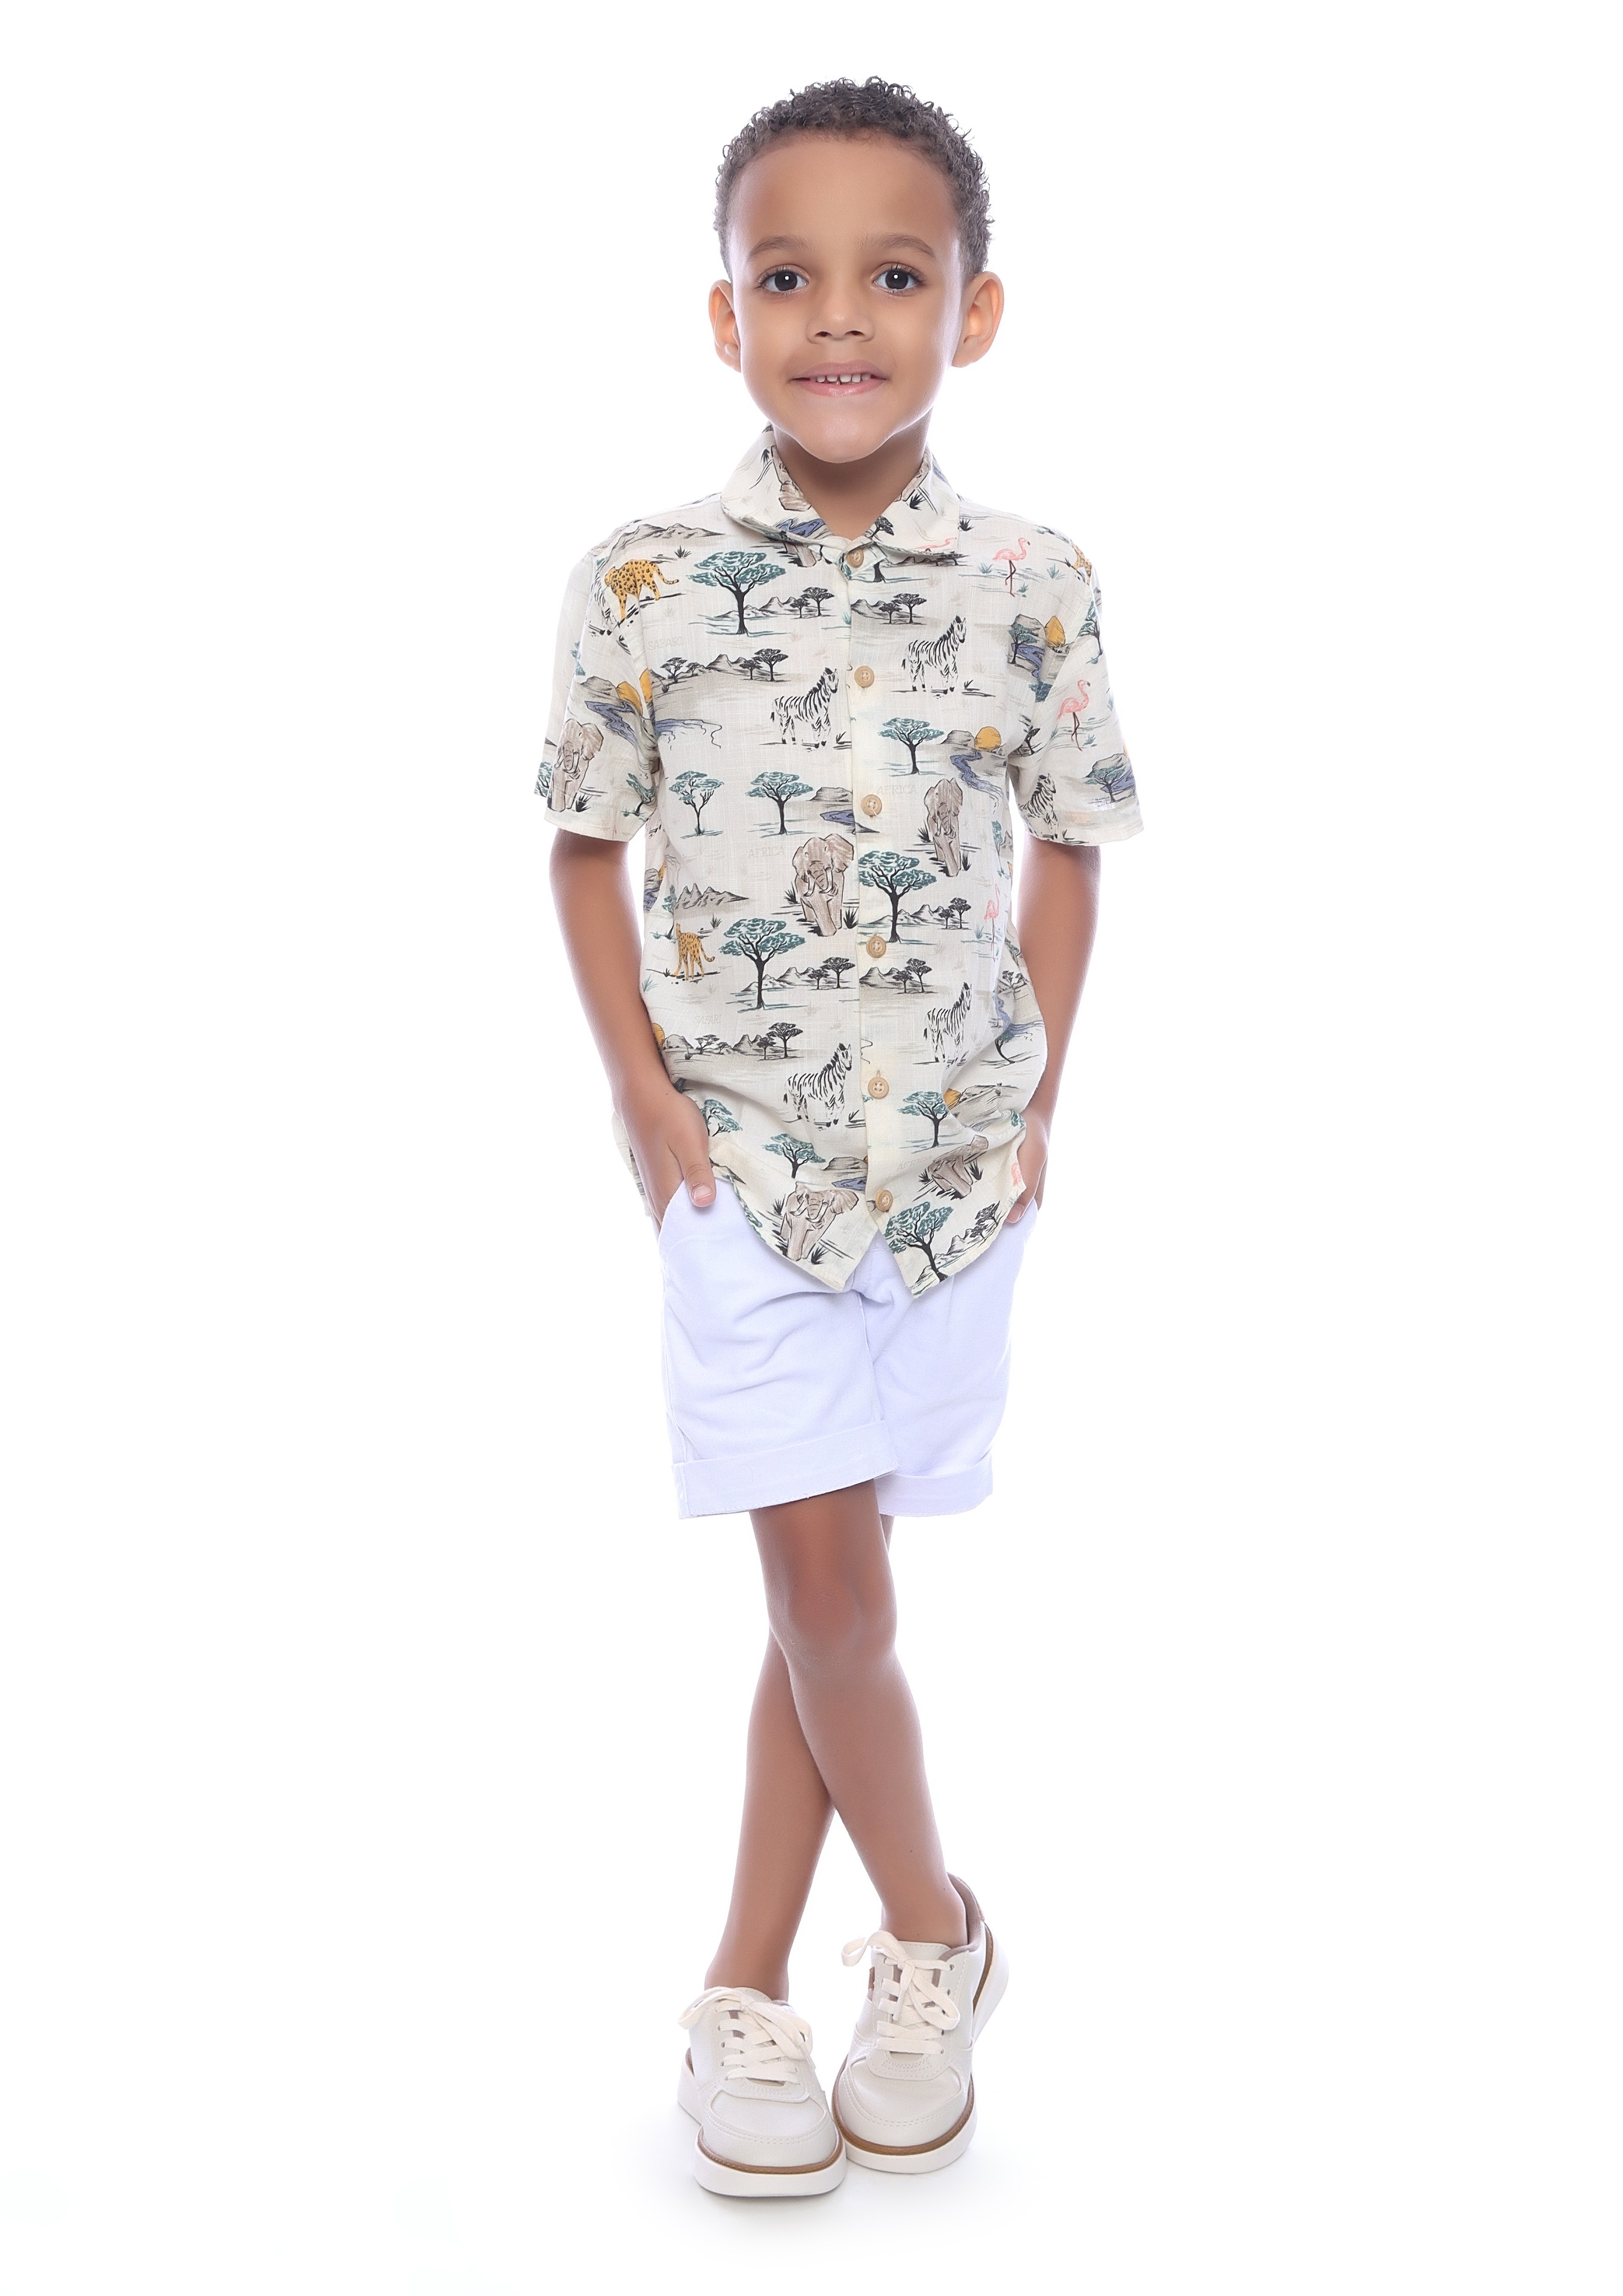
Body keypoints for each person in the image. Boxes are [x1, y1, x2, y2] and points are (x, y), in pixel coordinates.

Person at [541, 78, 1143, 2198]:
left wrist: (1037, 1096)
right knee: (824, 1583)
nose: (837, 320)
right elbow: (583, 847)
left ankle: (750, 1980)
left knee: (830, 1602)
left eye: (894, 275)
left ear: (971, 312)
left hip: (954, 1177)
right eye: (784, 276)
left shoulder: (1035, 584)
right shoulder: (642, 581)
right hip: (741, 1172)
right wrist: (641, 1096)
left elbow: (1070, 846)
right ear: (725, 316)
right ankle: (928, 1925)